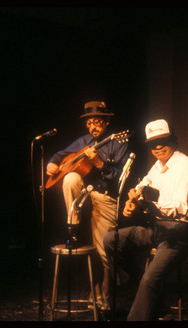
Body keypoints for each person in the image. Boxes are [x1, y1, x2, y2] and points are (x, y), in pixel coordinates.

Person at [103, 118, 188, 321]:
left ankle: (147, 292)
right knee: (111, 239)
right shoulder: (157, 167)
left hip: (182, 233)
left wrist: (151, 201)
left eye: (163, 141)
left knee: (150, 278)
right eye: (152, 144)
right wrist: (133, 200)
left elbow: (180, 207)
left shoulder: (186, 166)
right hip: (159, 230)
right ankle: (149, 289)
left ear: (173, 140)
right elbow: (143, 186)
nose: (157, 147)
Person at [46, 100, 130, 310]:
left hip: (105, 197)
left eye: (97, 122)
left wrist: (99, 164)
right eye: (90, 123)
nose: (93, 126)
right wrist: (53, 162)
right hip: (84, 197)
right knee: (70, 178)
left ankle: (104, 297)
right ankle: (73, 226)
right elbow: (62, 154)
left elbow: (119, 178)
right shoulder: (83, 141)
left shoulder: (119, 143)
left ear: (107, 123)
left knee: (104, 252)